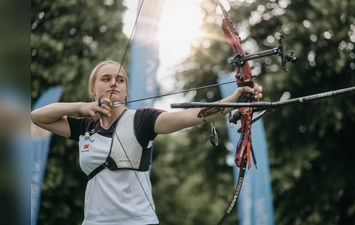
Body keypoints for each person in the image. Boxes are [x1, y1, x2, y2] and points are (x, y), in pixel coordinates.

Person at [31, 60, 263, 225]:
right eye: (106, 79)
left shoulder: (142, 119)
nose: (114, 83)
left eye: (120, 80)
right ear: (93, 89)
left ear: (126, 90)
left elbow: (188, 117)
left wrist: (232, 101)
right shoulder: (84, 127)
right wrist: (80, 107)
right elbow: (37, 117)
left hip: (138, 221)